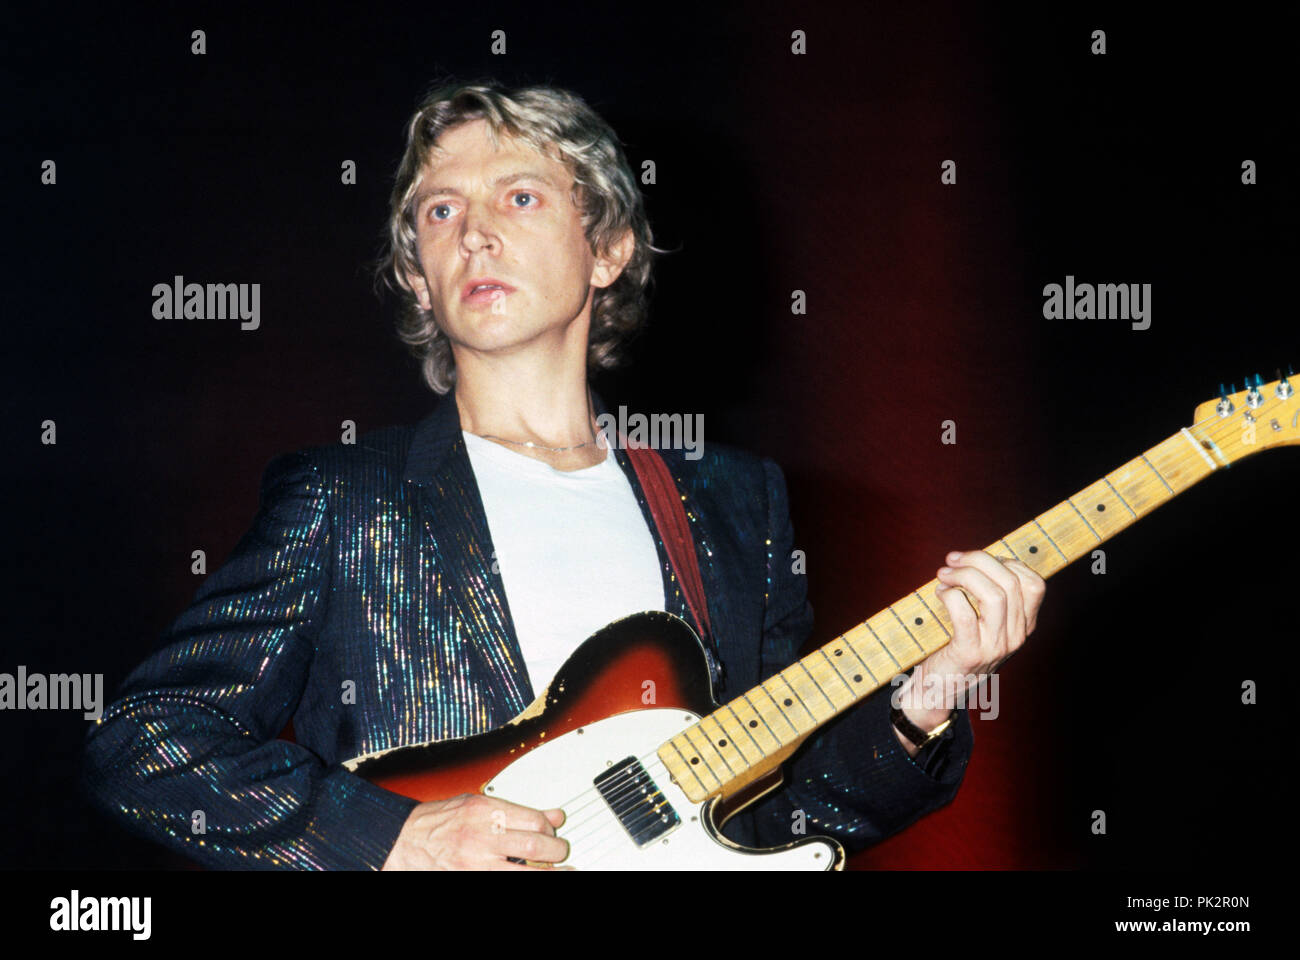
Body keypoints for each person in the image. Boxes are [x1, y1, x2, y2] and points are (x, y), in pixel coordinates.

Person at [81, 81, 1046, 870]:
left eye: (521, 196)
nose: (474, 231)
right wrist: (396, 834)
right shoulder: (345, 498)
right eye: (440, 209)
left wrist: (929, 696)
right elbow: (143, 739)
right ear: (417, 275)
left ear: (610, 249)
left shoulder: (732, 502)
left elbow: (784, 814)